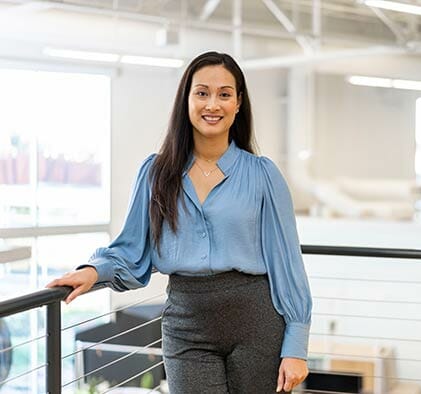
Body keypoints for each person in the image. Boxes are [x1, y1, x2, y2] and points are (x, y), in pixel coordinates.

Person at [47, 51, 312, 393]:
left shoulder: (262, 175)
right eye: (201, 93)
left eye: (224, 94)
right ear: (186, 100)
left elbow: (287, 263)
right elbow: (131, 248)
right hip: (187, 324)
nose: (212, 104)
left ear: (238, 103)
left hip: (256, 324)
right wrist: (93, 270)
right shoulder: (156, 173)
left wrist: (296, 346)